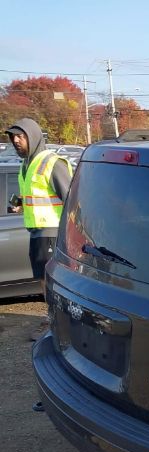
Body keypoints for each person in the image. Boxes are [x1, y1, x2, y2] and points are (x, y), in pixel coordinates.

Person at [6, 118, 72, 413]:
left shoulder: (50, 162)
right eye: (12, 138)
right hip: (37, 233)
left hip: (52, 234)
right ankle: (54, 324)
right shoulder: (27, 164)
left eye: (18, 136)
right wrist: (20, 202)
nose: (15, 141)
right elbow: (37, 196)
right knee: (45, 287)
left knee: (52, 287)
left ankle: (58, 329)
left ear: (31, 136)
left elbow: (71, 199)